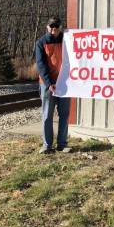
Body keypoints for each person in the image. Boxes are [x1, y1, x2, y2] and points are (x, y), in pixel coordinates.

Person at [35, 16, 71, 154]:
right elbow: (41, 64)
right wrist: (49, 83)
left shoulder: (67, 40)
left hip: (64, 84)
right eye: (51, 28)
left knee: (64, 114)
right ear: (47, 27)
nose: (53, 31)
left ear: (60, 28)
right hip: (47, 84)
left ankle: (62, 144)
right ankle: (47, 145)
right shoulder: (41, 42)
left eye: (56, 28)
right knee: (47, 115)